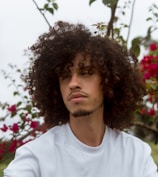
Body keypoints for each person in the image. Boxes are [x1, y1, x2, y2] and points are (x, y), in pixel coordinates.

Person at [3, 21, 158, 177]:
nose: (73, 83)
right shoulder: (35, 157)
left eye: (86, 72)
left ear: (109, 81)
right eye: (65, 76)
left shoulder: (137, 155)